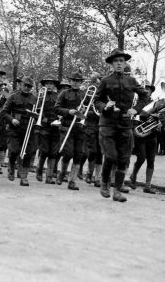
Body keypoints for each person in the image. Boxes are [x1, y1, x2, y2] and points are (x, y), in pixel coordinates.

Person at [93, 49, 150, 202]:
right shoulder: (105, 81)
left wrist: (136, 109)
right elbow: (96, 100)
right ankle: (105, 183)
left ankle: (117, 191)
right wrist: (105, 106)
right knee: (111, 156)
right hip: (108, 124)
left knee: (123, 159)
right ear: (112, 64)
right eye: (116, 61)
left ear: (125, 63)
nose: (119, 63)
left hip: (125, 125)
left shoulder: (131, 81)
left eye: (121, 61)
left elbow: (145, 96)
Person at [54, 70, 89, 190]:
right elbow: (57, 108)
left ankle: (72, 181)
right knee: (68, 153)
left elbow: (90, 110)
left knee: (78, 154)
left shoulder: (85, 95)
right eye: (73, 80)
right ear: (70, 81)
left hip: (79, 128)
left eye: (78, 81)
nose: (75, 83)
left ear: (81, 82)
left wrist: (83, 110)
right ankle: (62, 173)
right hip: (66, 126)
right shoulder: (64, 93)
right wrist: (69, 111)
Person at [2, 76, 39, 186]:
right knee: (14, 150)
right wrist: (11, 119)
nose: (27, 88)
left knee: (28, 153)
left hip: (29, 128)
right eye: (25, 85)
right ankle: (11, 167)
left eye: (29, 86)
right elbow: (4, 112)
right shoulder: (13, 96)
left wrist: (36, 118)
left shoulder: (35, 98)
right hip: (15, 128)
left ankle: (24, 177)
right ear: (20, 85)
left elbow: (39, 113)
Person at [128, 84, 158, 193]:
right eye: (145, 89)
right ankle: (133, 177)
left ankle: (148, 186)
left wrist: (159, 121)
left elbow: (161, 116)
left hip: (152, 134)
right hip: (141, 134)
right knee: (141, 158)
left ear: (151, 92)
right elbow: (134, 116)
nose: (146, 91)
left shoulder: (156, 103)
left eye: (148, 90)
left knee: (151, 160)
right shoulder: (138, 103)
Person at [34, 75, 60, 184]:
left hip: (55, 126)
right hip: (44, 126)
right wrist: (42, 117)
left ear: (54, 85)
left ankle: (49, 176)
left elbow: (60, 109)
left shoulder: (58, 96)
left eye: (51, 84)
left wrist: (59, 118)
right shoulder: (40, 96)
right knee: (44, 151)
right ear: (44, 85)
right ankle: (39, 170)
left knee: (53, 152)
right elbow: (36, 108)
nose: (49, 85)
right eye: (47, 83)